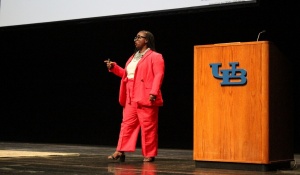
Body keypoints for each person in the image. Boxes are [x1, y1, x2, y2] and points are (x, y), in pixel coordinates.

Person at [104, 30, 165, 162]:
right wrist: (114, 67)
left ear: (147, 40)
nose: (135, 39)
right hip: (130, 94)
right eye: (135, 37)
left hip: (146, 94)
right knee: (126, 124)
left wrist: (153, 92)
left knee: (148, 125)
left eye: (139, 37)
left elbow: (159, 75)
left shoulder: (155, 56)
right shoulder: (133, 57)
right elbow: (127, 75)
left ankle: (149, 153)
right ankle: (120, 150)